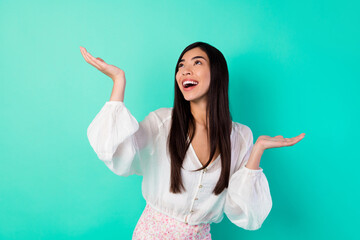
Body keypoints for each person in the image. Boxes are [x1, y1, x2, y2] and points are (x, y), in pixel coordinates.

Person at [80, 42, 305, 239]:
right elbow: (118, 152)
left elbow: (242, 211)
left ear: (216, 73)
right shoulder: (162, 122)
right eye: (181, 65)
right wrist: (119, 80)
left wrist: (258, 150)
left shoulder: (241, 136)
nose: (185, 71)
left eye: (196, 63)